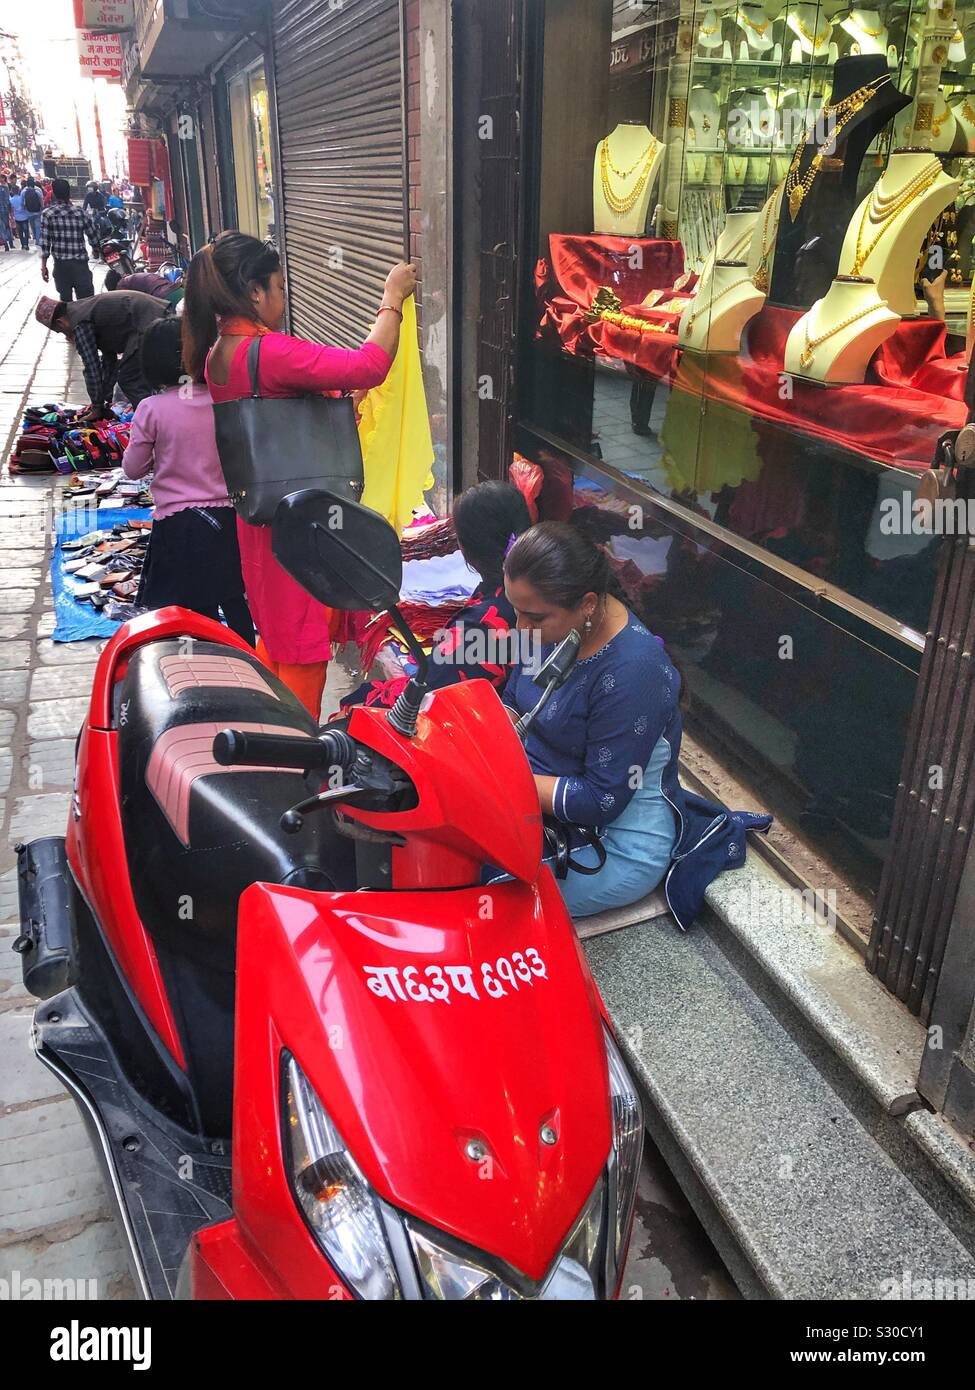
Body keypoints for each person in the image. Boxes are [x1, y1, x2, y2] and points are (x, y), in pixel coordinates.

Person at [183, 230, 416, 718]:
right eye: (280, 287)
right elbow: (369, 364)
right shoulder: (269, 353)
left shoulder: (219, 354)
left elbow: (279, 419)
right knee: (303, 648)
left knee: (278, 632)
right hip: (296, 519)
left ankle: (267, 723)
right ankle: (293, 758)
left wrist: (336, 406)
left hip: (260, 515)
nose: (284, 299)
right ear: (254, 292)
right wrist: (391, 297)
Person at [501, 522, 770, 921]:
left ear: (588, 604)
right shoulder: (554, 627)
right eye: (515, 611)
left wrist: (499, 780)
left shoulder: (633, 673)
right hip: (542, 800)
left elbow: (601, 800)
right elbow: (512, 701)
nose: (519, 629)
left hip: (614, 845)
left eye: (533, 617)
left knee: (482, 885)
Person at [341, 481, 532, 710]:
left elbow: (426, 691)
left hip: (480, 717)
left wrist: (363, 700)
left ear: (465, 547)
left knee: (356, 706)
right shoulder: (529, 585)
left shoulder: (484, 622)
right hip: (505, 705)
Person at [122, 316, 254, 644]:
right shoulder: (226, 402)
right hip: (228, 519)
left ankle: (199, 665)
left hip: (179, 526)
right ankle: (248, 659)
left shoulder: (151, 409)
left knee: (189, 605)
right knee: (233, 594)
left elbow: (132, 469)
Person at [35, 288, 169, 415]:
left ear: (60, 323)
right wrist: (105, 399)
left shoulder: (80, 323)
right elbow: (109, 361)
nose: (66, 335)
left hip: (149, 324)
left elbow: (92, 368)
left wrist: (97, 406)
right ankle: (156, 417)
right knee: (142, 378)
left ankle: (152, 424)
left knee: (129, 380)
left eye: (61, 331)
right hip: (155, 318)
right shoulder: (84, 310)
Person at [39, 178, 94, 302]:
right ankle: (84, 321)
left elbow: (45, 243)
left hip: (61, 266)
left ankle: (69, 320)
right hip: (80, 265)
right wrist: (96, 250)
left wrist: (43, 266)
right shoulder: (80, 213)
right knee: (86, 303)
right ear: (69, 193)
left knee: (65, 302)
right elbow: (93, 235)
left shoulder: (47, 214)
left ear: (53, 193)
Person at [22, 176, 43, 246]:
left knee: (32, 225)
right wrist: (42, 209)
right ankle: (37, 240)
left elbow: (22, 202)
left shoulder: (24, 191)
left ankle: (34, 236)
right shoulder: (38, 190)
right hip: (37, 212)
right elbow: (41, 200)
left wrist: (24, 209)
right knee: (38, 226)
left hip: (29, 212)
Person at [9, 183, 30, 250]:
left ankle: (22, 245)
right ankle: (26, 244)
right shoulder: (22, 198)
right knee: (26, 231)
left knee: (20, 232)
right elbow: (25, 206)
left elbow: (11, 210)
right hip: (25, 216)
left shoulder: (11, 200)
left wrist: (12, 217)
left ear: (12, 191)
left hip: (17, 218)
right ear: (19, 190)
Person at [0, 180, 11, 252]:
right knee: (6, 226)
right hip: (4, 210)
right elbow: (8, 200)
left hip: (3, 209)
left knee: (1, 228)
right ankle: (9, 242)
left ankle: (6, 243)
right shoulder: (5, 188)